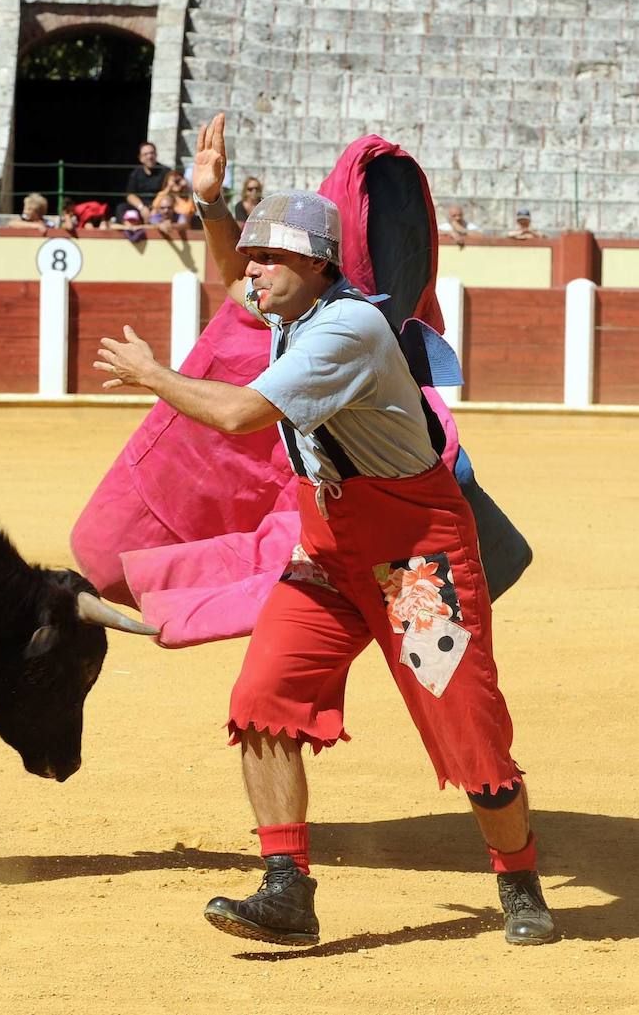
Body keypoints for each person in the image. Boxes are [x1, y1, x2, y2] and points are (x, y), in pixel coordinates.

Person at [94, 112, 555, 948]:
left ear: (314, 265)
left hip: (415, 558)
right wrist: (211, 205)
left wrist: (153, 375)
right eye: (253, 257)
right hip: (331, 549)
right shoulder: (296, 309)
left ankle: (518, 876)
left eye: (266, 259)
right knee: (263, 700)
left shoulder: (346, 330)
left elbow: (237, 413)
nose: (250, 272)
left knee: (471, 732)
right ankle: (286, 889)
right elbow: (234, 287)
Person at [121, 141, 166, 222]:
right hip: (141, 208)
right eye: (146, 154)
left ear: (156, 155)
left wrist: (156, 208)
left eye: (152, 153)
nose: (149, 156)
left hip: (160, 208)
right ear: (140, 158)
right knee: (121, 207)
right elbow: (130, 195)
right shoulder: (135, 173)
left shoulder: (165, 171)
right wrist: (141, 208)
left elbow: (168, 193)